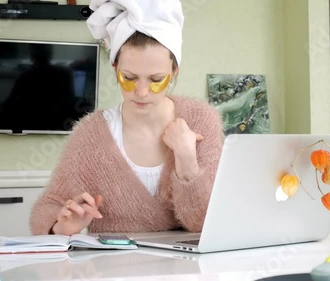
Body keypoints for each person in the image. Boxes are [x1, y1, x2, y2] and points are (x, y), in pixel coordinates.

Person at [29, 0, 225, 236]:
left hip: (189, 271)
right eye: (129, 77)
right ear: (114, 67)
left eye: (156, 79)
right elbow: (47, 207)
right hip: (113, 270)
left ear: (174, 71)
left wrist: (187, 161)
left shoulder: (201, 121)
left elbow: (207, 225)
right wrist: (61, 226)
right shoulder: (92, 134)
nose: (142, 92)